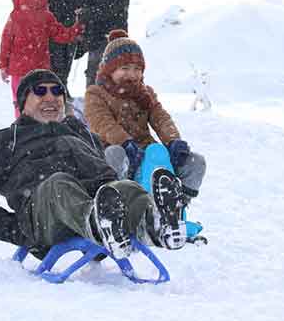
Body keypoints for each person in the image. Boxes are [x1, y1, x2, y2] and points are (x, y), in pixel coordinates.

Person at [0, 69, 189, 260]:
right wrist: (21, 231)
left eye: (57, 91)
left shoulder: (79, 131)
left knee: (123, 188)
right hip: (45, 215)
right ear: (22, 102)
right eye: (40, 91)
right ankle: (98, 225)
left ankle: (154, 224)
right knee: (59, 184)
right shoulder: (5, 140)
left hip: (99, 202)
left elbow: (104, 173)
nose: (51, 97)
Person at [84, 30, 205, 202]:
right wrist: (125, 143)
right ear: (110, 70)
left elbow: (160, 118)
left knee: (196, 162)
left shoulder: (145, 93)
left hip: (145, 152)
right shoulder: (96, 94)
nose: (132, 74)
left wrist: (173, 141)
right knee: (115, 154)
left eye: (137, 69)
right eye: (124, 68)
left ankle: (176, 206)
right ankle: (118, 205)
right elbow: (102, 123)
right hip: (113, 148)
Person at [0, 0, 83, 117]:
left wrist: (3, 65)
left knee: (19, 100)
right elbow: (62, 35)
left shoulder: (15, 16)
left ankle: (21, 126)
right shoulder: (46, 17)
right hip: (40, 68)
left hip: (18, 69)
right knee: (41, 100)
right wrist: (77, 28)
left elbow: (6, 42)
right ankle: (39, 126)